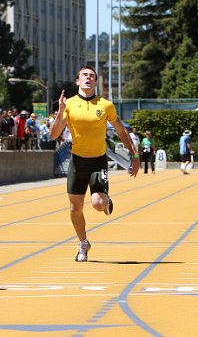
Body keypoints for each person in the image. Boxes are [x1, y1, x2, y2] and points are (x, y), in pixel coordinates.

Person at [49, 65, 140, 262]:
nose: (88, 78)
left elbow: (122, 131)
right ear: (78, 81)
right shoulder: (70, 104)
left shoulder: (105, 105)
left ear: (96, 82)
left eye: (92, 76)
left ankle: (105, 200)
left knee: (98, 204)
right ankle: (83, 243)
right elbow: (54, 134)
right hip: (77, 161)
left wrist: (134, 155)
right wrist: (60, 112)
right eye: (84, 75)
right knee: (75, 209)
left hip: (98, 161)